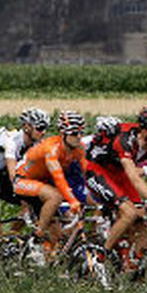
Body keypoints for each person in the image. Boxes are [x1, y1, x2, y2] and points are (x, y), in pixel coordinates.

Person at [82, 106, 147, 270]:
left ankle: (133, 271)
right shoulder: (125, 140)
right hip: (98, 171)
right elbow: (134, 177)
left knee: (141, 219)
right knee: (129, 213)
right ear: (145, 132)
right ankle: (101, 258)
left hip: (120, 174)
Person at [0, 107, 49, 264]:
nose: (43, 132)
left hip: (2, 179)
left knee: (34, 204)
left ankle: (9, 240)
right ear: (27, 127)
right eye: (40, 128)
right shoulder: (12, 141)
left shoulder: (37, 143)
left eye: (45, 129)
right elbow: (13, 175)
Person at [13, 110, 89, 264]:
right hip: (23, 181)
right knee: (55, 196)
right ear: (63, 133)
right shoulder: (51, 148)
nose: (79, 137)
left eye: (81, 133)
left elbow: (88, 173)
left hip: (43, 183)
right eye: (74, 133)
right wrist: (72, 201)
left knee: (57, 230)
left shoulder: (78, 149)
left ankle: (48, 264)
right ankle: (38, 234)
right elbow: (59, 179)